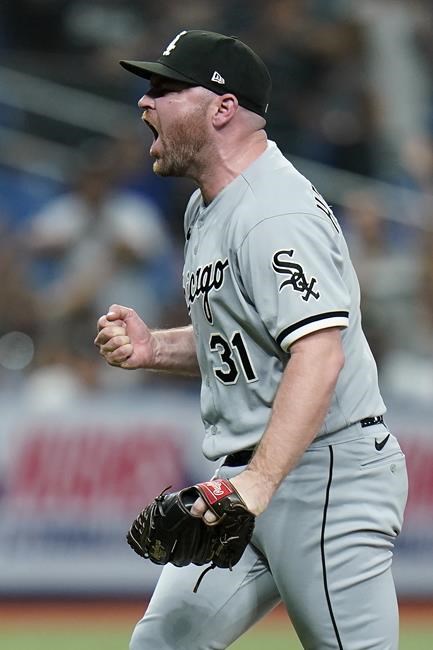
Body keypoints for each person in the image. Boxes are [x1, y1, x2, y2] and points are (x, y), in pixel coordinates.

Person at [95, 29, 408, 650]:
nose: (145, 101)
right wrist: (156, 348)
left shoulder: (274, 215)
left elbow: (319, 355)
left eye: (165, 87)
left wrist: (256, 487)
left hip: (325, 476)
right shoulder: (208, 207)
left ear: (222, 108)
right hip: (252, 477)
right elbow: (245, 338)